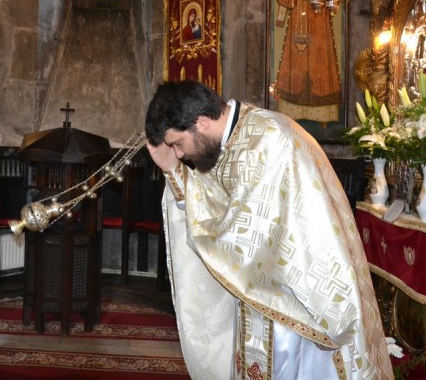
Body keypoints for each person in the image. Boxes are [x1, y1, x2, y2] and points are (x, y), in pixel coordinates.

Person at [144, 80, 392, 379]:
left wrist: (176, 173)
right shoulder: (235, 139)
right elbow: (216, 204)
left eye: (177, 143)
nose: (180, 154)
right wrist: (172, 170)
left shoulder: (269, 140)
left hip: (299, 305)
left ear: (201, 122)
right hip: (267, 296)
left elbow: (239, 239)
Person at [274, 0, 342, 123]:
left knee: (321, 60)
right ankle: (293, 113)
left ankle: (325, 115)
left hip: (319, 15)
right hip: (299, 16)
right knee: (297, 60)